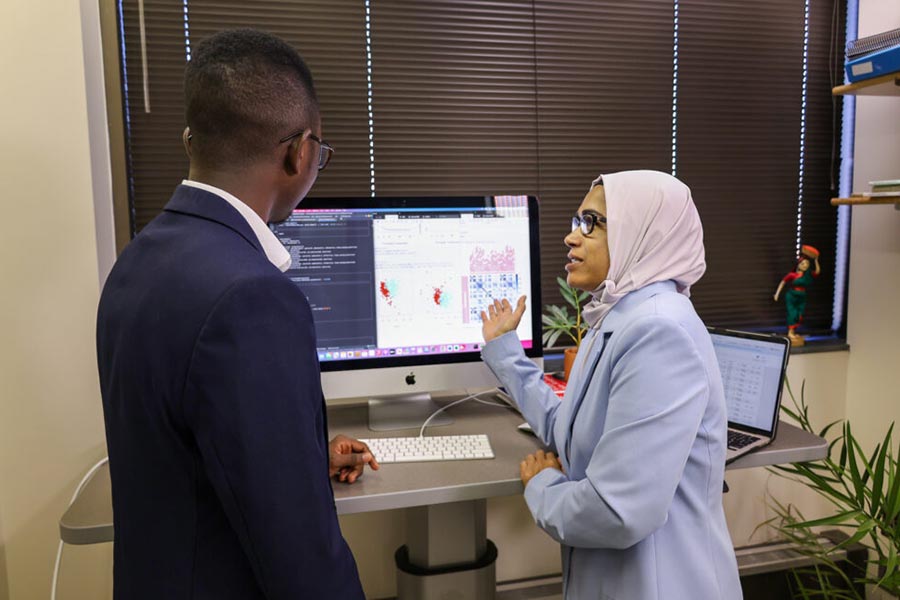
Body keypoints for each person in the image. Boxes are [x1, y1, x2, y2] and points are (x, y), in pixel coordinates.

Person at [96, 29, 377, 600]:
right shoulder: (252, 297)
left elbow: (179, 446)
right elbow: (302, 562)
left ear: (188, 141)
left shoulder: (137, 261)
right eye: (320, 152)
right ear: (298, 153)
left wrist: (294, 456)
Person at [480, 170, 742, 599]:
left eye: (591, 223)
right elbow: (570, 428)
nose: (571, 237)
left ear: (643, 231)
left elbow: (617, 512)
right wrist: (507, 353)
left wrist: (542, 486)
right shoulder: (619, 316)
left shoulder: (659, 332)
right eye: (575, 221)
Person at [773, 245, 820, 346]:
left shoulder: (807, 274)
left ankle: (793, 332)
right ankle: (790, 333)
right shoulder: (792, 275)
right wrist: (777, 294)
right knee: (792, 313)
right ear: (799, 264)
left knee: (799, 314)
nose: (805, 266)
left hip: (802, 296)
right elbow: (783, 282)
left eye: (807, 264)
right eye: (803, 264)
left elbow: (817, 272)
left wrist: (815, 260)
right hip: (792, 296)